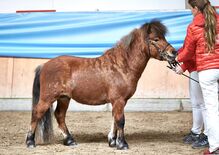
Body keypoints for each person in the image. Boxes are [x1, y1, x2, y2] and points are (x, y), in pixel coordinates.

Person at [175, 0, 219, 154]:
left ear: (195, 8)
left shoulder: (193, 27)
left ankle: (214, 147)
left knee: (212, 110)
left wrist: (178, 59)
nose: (190, 11)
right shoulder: (217, 21)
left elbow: (188, 52)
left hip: (207, 71)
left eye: (191, 9)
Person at [175, 48, 209, 149]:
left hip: (198, 68)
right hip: (194, 68)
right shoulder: (191, 32)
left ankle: (208, 135)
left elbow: (192, 51)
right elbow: (187, 48)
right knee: (196, 104)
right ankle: (196, 132)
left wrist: (183, 65)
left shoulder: (195, 32)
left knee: (203, 104)